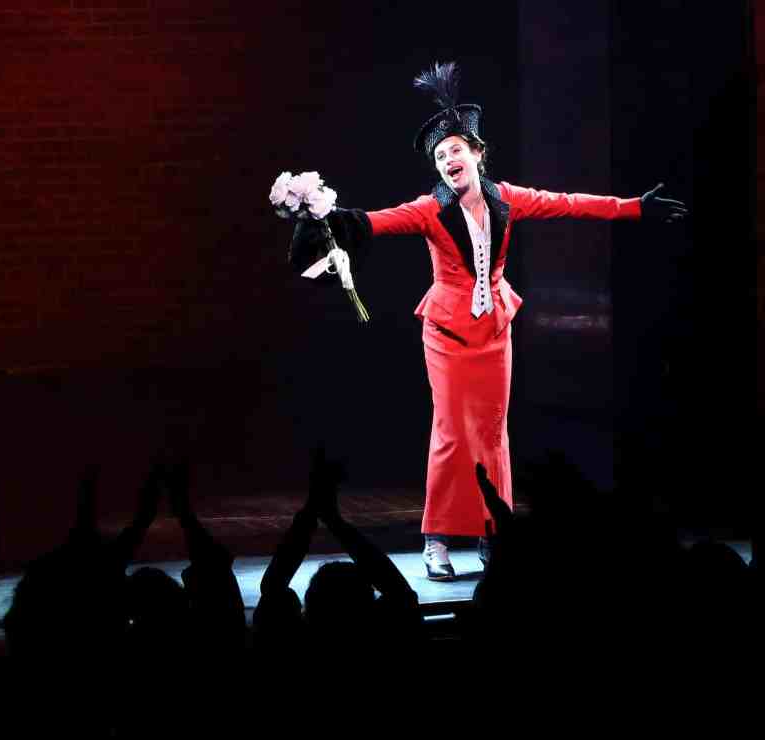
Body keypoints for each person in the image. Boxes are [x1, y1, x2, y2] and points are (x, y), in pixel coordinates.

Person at [289, 62, 687, 580]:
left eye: (455, 149)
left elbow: (569, 204)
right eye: (439, 155)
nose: (447, 159)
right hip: (448, 332)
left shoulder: (507, 199)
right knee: (452, 433)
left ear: (478, 153)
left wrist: (635, 207)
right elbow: (375, 221)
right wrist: (328, 218)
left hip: (496, 328)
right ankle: (435, 541)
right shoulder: (429, 209)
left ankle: (493, 533)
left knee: (494, 434)